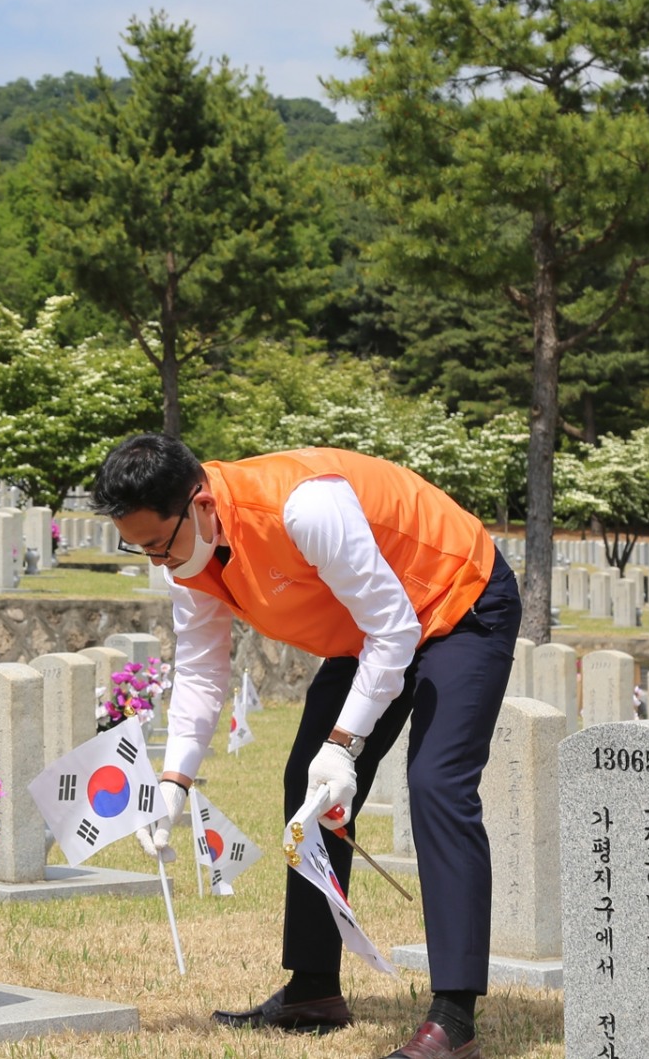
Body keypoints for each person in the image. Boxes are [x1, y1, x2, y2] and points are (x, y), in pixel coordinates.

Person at [92, 435, 519, 1059]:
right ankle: (313, 988)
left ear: (202, 503)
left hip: (456, 600)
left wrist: (344, 743)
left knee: (436, 784)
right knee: (306, 780)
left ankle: (454, 1019)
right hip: (371, 630)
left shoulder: (303, 508)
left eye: (159, 544)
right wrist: (173, 782)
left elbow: (396, 628)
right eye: (141, 549)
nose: (157, 562)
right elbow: (204, 672)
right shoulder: (189, 556)